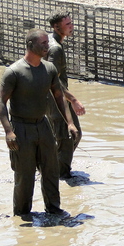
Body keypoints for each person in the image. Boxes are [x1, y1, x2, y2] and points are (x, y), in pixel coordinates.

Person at [0, 29, 78, 219]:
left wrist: (70, 123)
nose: (47, 46)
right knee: (24, 174)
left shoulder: (49, 69)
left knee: (51, 168)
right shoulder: (14, 72)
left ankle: (54, 209)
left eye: (46, 42)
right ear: (30, 45)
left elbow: (59, 97)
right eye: (42, 43)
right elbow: (0, 101)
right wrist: (8, 131)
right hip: (21, 128)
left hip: (43, 125)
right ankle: (22, 214)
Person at [46, 12, 86, 179]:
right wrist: (74, 100)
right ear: (56, 27)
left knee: (69, 136)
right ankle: (59, 174)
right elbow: (53, 79)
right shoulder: (55, 48)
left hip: (53, 98)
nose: (72, 27)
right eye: (67, 24)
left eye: (71, 23)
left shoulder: (50, 41)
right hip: (56, 99)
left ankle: (50, 166)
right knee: (68, 136)